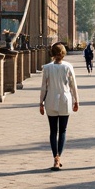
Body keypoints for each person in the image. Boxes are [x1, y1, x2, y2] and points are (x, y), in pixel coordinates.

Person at [39, 42, 79, 170]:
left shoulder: (47, 68)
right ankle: (58, 157)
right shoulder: (68, 67)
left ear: (52, 53)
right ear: (63, 53)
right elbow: (73, 86)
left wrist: (41, 102)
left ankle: (54, 157)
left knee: (52, 131)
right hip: (65, 101)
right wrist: (76, 101)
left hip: (50, 100)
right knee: (62, 131)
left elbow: (44, 88)